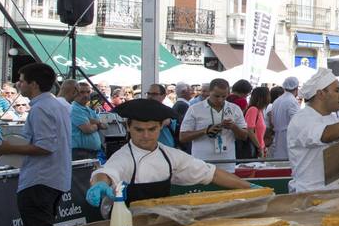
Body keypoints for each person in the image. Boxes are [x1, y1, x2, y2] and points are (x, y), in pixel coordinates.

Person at [85, 98, 255, 211]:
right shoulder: (124, 157)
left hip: (162, 223)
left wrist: (251, 188)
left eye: (151, 129)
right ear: (128, 127)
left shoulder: (170, 155)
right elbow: (106, 173)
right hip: (128, 224)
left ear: (161, 126)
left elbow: (211, 173)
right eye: (139, 130)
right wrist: (99, 185)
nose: (145, 135)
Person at [0, 63, 71, 226]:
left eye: (21, 81)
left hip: (39, 181)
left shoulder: (41, 108)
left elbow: (45, 147)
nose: (18, 84)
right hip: (52, 179)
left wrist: (9, 148)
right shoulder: (57, 105)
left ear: (34, 84)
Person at [179, 79, 252, 165]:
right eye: (216, 96)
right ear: (209, 92)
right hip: (202, 163)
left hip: (227, 163)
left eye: (224, 96)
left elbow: (244, 136)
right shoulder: (194, 109)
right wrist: (205, 131)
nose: (220, 99)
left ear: (228, 94)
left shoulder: (235, 108)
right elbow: (182, 137)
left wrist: (233, 127)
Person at [265, 76, 301, 160]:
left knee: (279, 162)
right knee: (287, 164)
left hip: (278, 137)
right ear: (296, 88)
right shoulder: (292, 101)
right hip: (288, 138)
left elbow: (272, 122)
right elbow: (296, 122)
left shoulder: (277, 100)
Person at [70, 80, 105, 160]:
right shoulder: (74, 109)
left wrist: (92, 122)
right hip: (80, 153)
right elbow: (87, 129)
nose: (85, 95)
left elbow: (104, 125)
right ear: (75, 93)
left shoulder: (89, 109)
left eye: (88, 92)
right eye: (81, 92)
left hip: (90, 153)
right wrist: (97, 124)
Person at [144, 83, 179, 148]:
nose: (150, 96)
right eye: (148, 93)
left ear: (163, 96)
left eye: (154, 94)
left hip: (165, 150)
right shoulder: (140, 111)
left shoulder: (169, 112)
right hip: (146, 150)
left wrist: (169, 121)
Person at [244, 86, 270, 158]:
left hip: (259, 148)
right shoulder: (253, 110)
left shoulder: (259, 111)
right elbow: (249, 131)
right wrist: (259, 147)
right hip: (253, 149)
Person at [171, 82, 193, 153]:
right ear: (184, 92)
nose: (192, 92)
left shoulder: (180, 105)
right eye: (190, 90)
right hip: (184, 146)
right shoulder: (182, 106)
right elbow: (183, 126)